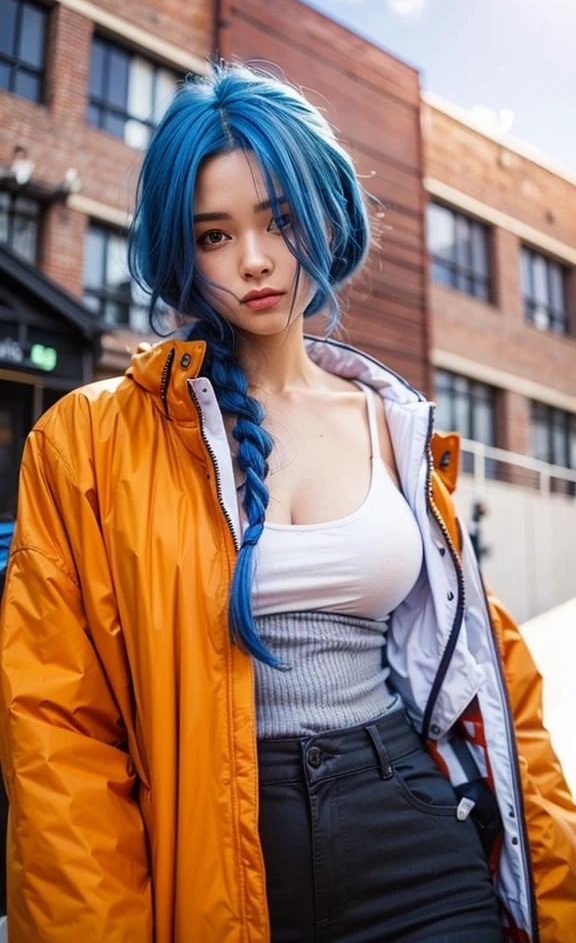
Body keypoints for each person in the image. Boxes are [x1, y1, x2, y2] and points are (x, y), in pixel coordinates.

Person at [0, 64, 574, 943]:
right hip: (208, 851)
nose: (256, 260)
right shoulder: (93, 441)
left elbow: (491, 685)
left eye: (279, 220)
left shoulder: (399, 428)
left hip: (413, 836)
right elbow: (58, 733)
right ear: (179, 252)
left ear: (327, 214)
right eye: (215, 234)